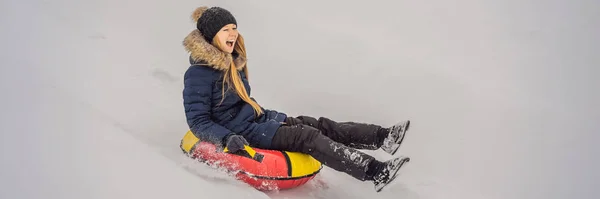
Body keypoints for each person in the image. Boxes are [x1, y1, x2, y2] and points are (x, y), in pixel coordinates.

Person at [181, 6, 411, 191]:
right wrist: (227, 138)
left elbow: (242, 104)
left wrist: (271, 115)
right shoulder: (198, 74)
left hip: (258, 121)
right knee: (307, 136)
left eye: (234, 28)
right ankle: (376, 172)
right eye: (225, 29)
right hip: (243, 133)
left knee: (315, 124)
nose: (233, 33)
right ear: (211, 36)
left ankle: (383, 137)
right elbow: (198, 121)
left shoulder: (232, 64)